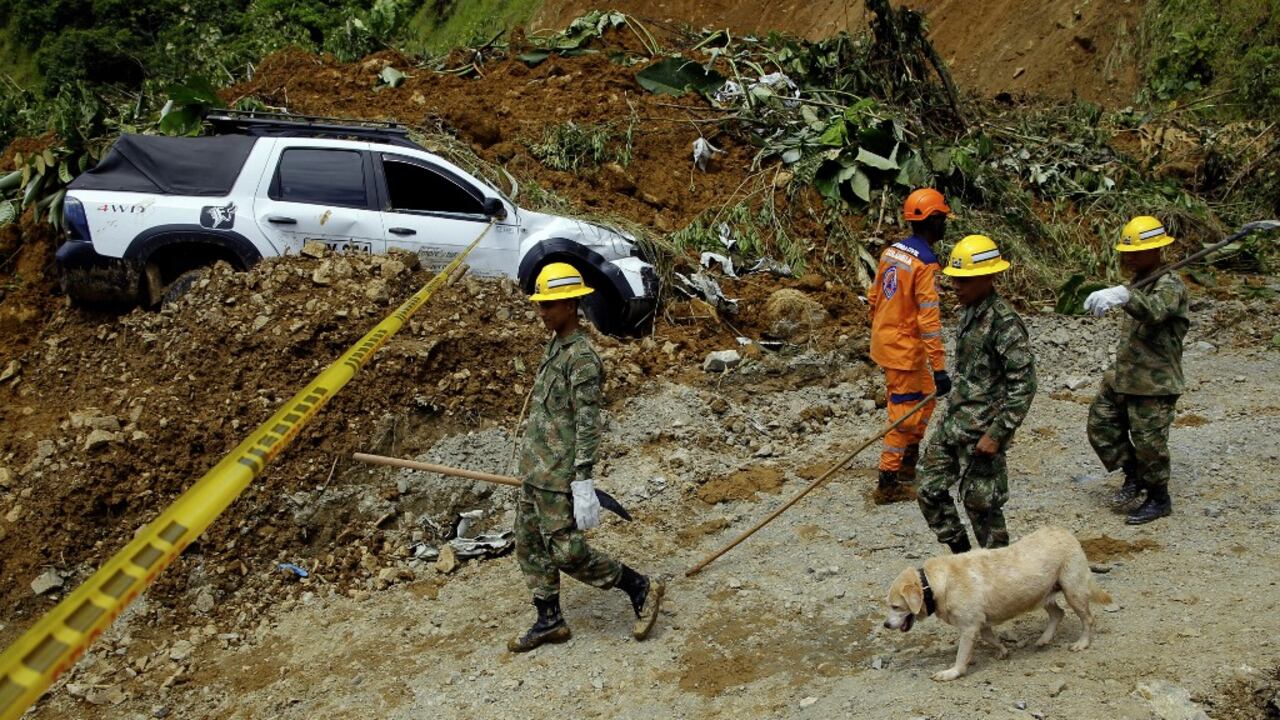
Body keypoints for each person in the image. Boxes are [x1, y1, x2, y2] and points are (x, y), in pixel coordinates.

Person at [509, 262, 663, 652]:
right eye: (540, 305)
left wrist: (582, 480)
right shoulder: (555, 345)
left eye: (549, 306)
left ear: (571, 305)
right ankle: (549, 620)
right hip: (535, 472)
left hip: (559, 475)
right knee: (529, 543)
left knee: (566, 552)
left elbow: (587, 423)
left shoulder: (581, 358)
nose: (541, 313)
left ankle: (639, 586)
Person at [916, 235, 1037, 552]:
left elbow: (1024, 385)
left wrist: (997, 433)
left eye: (965, 280)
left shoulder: (1005, 323)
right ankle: (963, 556)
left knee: (982, 508)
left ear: (988, 277)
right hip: (955, 425)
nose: (956, 286)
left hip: (983, 433)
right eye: (955, 279)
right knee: (928, 487)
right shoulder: (969, 312)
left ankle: (1001, 577)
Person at [1083, 216, 1189, 525]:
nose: (1130, 259)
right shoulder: (1139, 281)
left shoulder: (1170, 284)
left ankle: (1159, 497)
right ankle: (1134, 475)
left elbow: (1156, 311)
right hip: (1125, 376)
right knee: (1100, 425)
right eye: (1126, 253)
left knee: (1149, 443)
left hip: (1154, 382)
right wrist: (1125, 293)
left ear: (1157, 251)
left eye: (1137, 253)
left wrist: (1124, 296)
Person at [867, 188, 953, 504]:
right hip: (903, 350)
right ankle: (887, 483)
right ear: (932, 221)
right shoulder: (926, 264)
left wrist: (881, 330)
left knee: (926, 399)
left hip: (890, 343)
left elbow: (875, 296)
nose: (945, 226)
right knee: (903, 414)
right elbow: (929, 321)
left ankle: (907, 464)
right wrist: (940, 366)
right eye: (942, 219)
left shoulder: (891, 252)